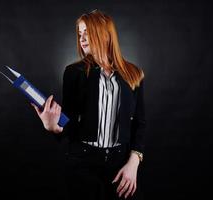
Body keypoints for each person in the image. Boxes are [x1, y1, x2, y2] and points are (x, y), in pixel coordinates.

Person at [31, 9, 146, 200]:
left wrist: (134, 162)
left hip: (121, 163)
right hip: (82, 164)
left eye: (88, 32)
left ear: (106, 35)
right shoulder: (73, 72)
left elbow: (140, 123)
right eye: (80, 33)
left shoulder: (133, 74)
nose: (82, 38)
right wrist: (54, 128)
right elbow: (70, 122)